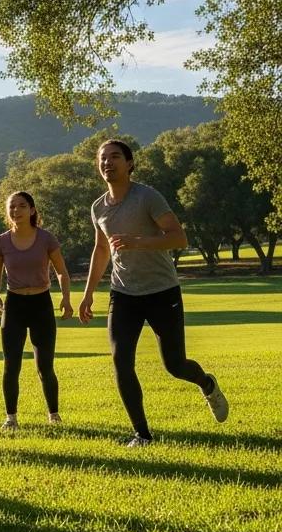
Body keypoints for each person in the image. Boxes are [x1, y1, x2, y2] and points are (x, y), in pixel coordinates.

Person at [79, 139, 229, 446]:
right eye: (102, 158)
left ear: (130, 163)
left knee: (175, 365)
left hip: (162, 290)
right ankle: (142, 435)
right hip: (123, 293)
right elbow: (101, 249)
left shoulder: (147, 197)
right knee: (121, 361)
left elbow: (178, 238)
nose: (107, 163)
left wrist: (139, 242)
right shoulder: (98, 207)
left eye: (115, 157)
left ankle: (207, 383)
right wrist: (88, 293)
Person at [0, 191, 73, 431]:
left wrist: (66, 299)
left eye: (22, 206)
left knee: (44, 365)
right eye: (12, 207)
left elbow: (61, 271)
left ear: (32, 210)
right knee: (11, 364)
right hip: (14, 305)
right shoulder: (1, 241)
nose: (16, 210)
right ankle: (11, 418)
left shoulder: (46, 239)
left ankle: (54, 415)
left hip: (41, 304)